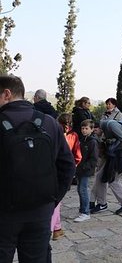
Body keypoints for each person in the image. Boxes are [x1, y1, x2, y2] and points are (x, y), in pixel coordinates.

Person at [0, 75, 76, 262]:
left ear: (6, 94)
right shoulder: (50, 123)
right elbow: (67, 166)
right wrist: (52, 199)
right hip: (40, 211)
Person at [90, 119, 122, 215]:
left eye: (95, 131)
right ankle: (102, 204)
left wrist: (111, 148)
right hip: (114, 157)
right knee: (100, 176)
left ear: (99, 128)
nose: (95, 134)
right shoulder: (105, 132)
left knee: (113, 180)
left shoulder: (111, 125)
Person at [51, 113, 82, 240]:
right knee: (59, 200)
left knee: (54, 202)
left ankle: (51, 228)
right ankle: (57, 228)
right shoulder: (74, 136)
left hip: (54, 172)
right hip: (68, 172)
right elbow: (78, 155)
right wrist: (73, 167)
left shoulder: (54, 134)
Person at [74, 119, 98, 223]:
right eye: (82, 128)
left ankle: (85, 212)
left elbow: (93, 158)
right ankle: (82, 209)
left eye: (86, 128)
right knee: (80, 189)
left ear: (92, 129)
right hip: (79, 168)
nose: (84, 130)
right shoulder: (82, 139)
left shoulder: (92, 142)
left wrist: (85, 166)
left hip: (85, 169)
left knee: (83, 189)